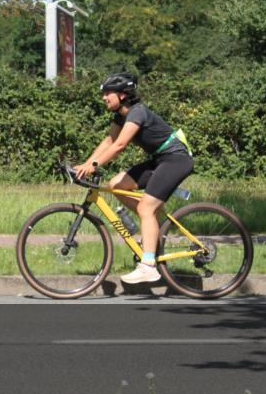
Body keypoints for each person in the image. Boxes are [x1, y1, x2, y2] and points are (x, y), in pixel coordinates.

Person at [72, 72, 193, 284]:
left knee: (146, 208)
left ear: (122, 95)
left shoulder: (137, 112)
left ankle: (148, 267)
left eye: (108, 93)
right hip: (159, 160)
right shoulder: (120, 115)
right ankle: (151, 229)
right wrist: (86, 164)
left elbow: (119, 146)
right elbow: (109, 141)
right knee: (116, 184)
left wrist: (93, 166)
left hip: (176, 160)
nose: (104, 97)